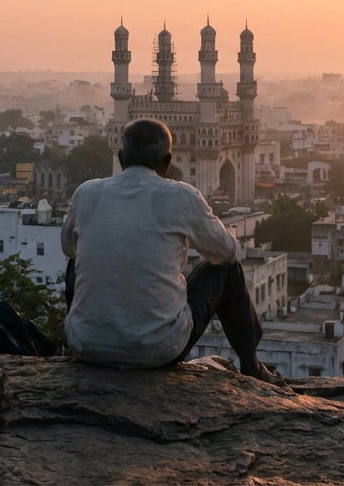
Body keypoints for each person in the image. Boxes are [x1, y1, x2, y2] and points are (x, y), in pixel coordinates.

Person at [61, 118, 282, 384]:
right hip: (159, 348)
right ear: (167, 162)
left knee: (76, 261)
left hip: (86, 346)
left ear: (121, 157)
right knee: (228, 269)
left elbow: (68, 248)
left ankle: (94, 328)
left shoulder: (86, 193)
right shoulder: (181, 196)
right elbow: (228, 253)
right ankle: (252, 365)